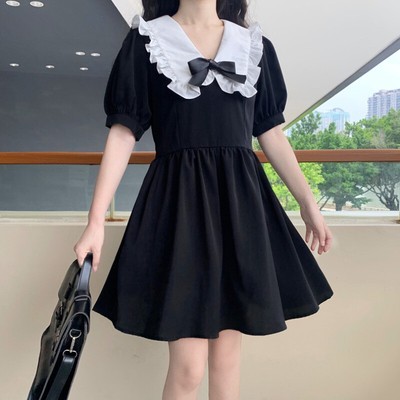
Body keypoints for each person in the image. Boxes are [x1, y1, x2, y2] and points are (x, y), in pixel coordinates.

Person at [74, 0, 334, 398]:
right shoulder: (147, 40)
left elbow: (270, 132)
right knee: (189, 368)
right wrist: (95, 222)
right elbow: (124, 132)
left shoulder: (252, 45)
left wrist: (308, 203)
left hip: (240, 208)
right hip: (180, 209)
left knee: (226, 363)